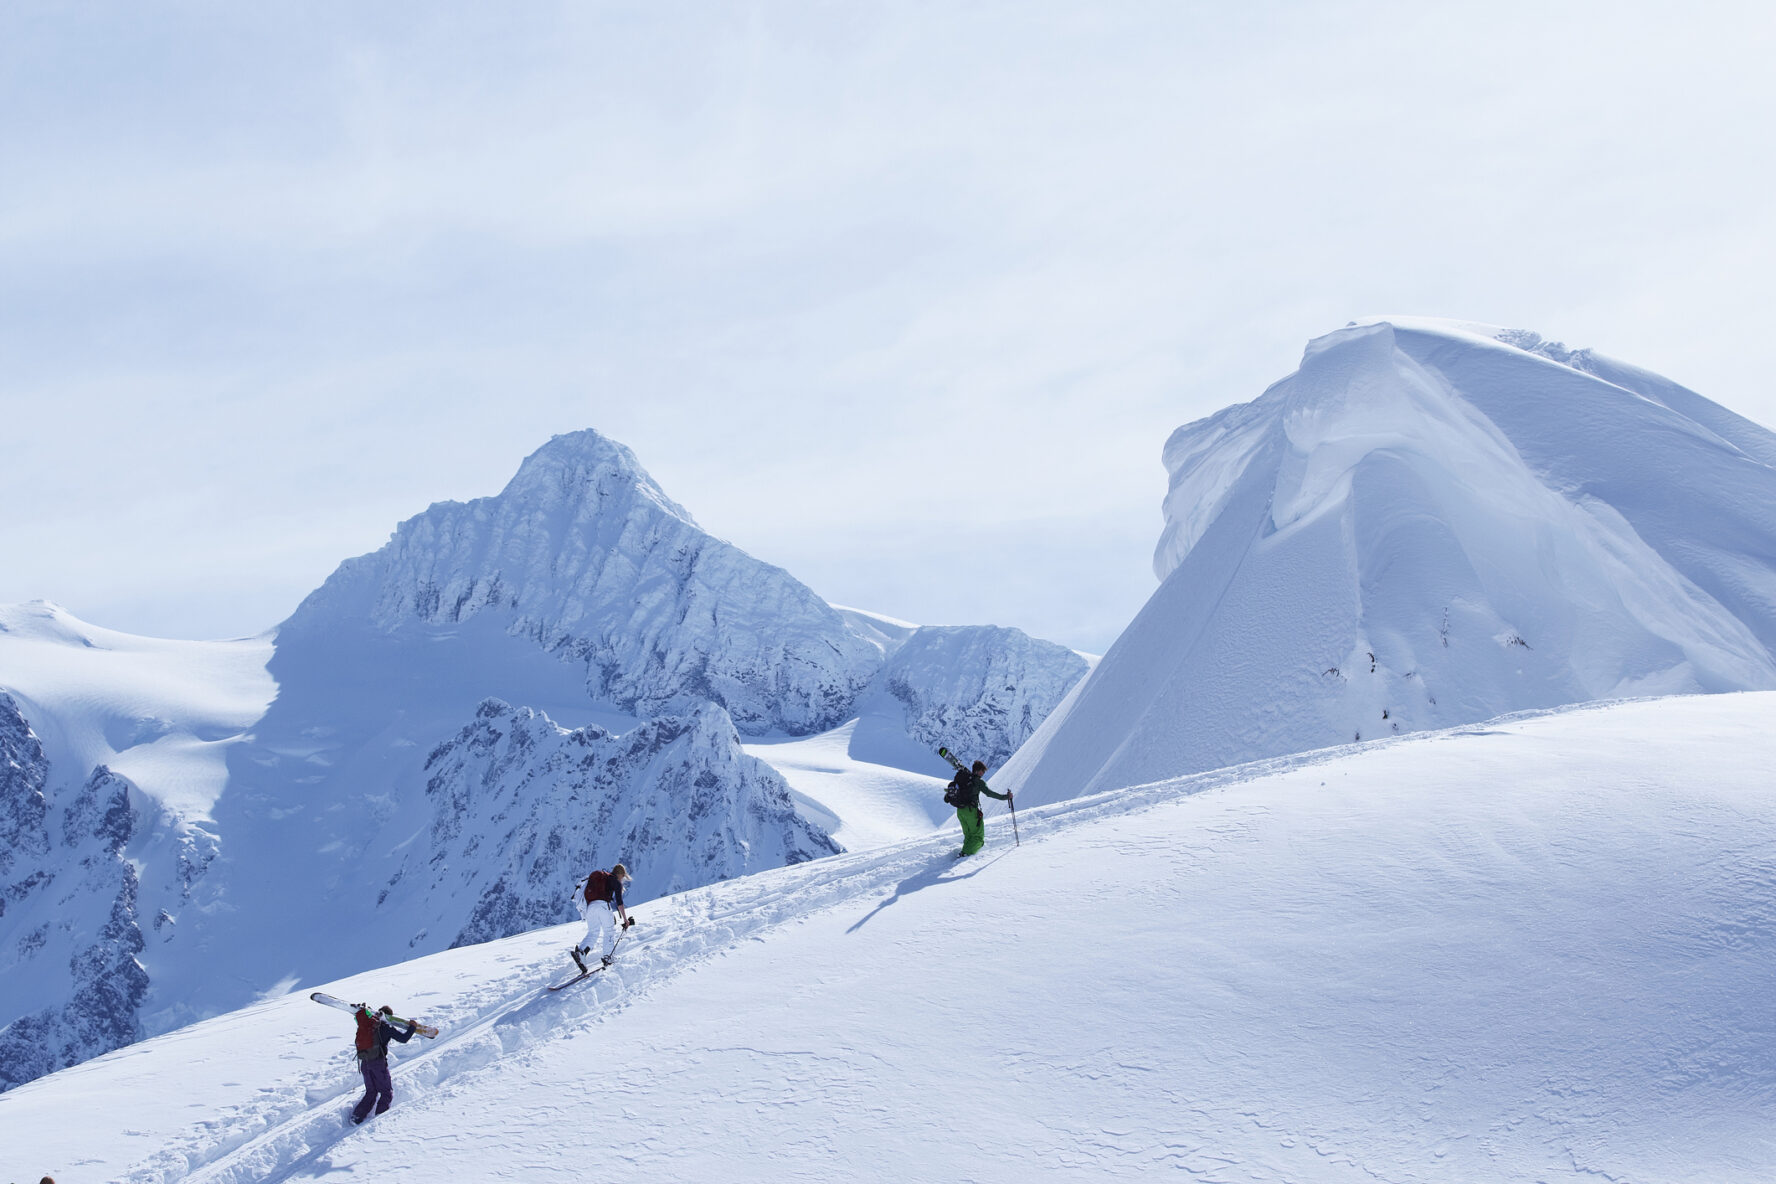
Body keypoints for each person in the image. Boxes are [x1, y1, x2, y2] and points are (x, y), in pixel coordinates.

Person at [350, 1004, 417, 1125]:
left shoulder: (368, 1025)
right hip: (378, 1063)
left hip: (364, 1063)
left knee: (371, 1091)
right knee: (386, 1092)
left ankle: (356, 1117)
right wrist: (412, 1027)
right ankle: (380, 1119)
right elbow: (403, 1038)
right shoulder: (386, 1027)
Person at [570, 862, 632, 973]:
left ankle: (581, 953)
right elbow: (619, 903)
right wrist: (625, 919)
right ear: (620, 874)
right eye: (623, 877)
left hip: (590, 907)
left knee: (593, 932)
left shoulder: (602, 878)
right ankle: (608, 957)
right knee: (609, 931)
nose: (622, 879)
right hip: (602, 905)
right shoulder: (616, 882)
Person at [948, 759, 1011, 857]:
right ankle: (965, 855)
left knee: (969, 835)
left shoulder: (964, 778)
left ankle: (964, 852)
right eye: (982, 771)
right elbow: (989, 793)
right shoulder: (978, 782)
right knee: (978, 837)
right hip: (970, 811)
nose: (983, 773)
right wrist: (1005, 797)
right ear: (977, 771)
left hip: (960, 810)